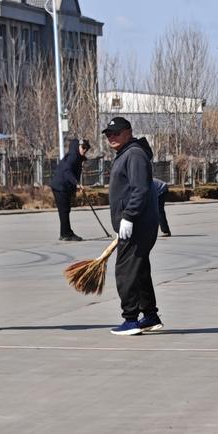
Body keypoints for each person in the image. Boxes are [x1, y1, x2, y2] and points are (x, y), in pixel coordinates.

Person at [103, 115, 162, 336]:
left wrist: (128, 216)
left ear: (128, 132)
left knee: (125, 272)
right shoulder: (126, 154)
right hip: (135, 224)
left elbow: (141, 190)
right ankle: (149, 316)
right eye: (108, 134)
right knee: (140, 271)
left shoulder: (134, 154)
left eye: (116, 133)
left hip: (137, 224)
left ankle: (130, 319)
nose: (112, 137)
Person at [49, 137, 91, 241]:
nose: (84, 150)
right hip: (60, 186)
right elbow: (67, 171)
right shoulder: (73, 156)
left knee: (65, 210)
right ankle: (66, 234)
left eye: (87, 148)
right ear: (78, 146)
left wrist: (74, 186)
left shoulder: (76, 157)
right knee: (64, 210)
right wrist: (76, 184)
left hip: (63, 186)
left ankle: (65, 232)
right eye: (83, 147)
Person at [134, 136, 172, 237]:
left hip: (162, 189)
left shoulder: (142, 180)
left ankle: (166, 231)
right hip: (158, 189)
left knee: (159, 210)